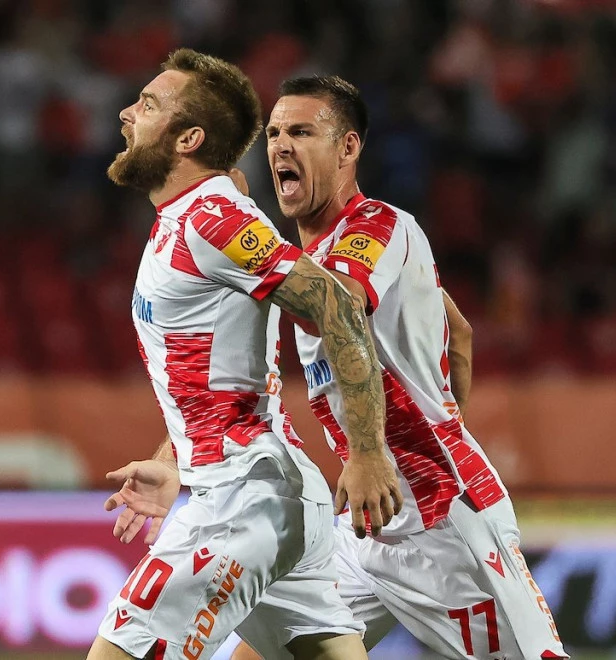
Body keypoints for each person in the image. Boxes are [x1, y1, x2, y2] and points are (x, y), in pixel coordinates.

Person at [225, 76, 567, 659]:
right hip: (368, 521)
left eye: (301, 132)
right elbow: (460, 335)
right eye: (274, 133)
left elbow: (335, 307)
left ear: (348, 147)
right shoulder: (313, 255)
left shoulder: (377, 226)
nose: (280, 144)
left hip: (442, 521)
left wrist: (234, 234)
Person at [89, 50, 403, 660]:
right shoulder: (191, 213)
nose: (126, 113)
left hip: (244, 499)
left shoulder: (211, 219)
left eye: (147, 105)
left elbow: (336, 305)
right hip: (265, 493)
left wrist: (368, 452)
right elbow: (220, 372)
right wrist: (174, 461)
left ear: (189, 139)